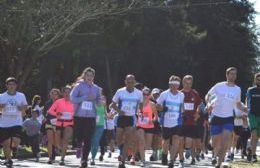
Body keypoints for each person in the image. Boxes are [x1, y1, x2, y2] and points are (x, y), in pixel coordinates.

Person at [205, 67, 247, 168]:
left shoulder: (237, 89)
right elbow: (208, 95)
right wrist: (209, 104)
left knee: (225, 142)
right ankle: (214, 155)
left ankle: (219, 163)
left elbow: (237, 104)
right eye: (231, 74)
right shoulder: (219, 86)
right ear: (227, 75)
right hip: (216, 116)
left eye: (235, 74)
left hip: (228, 118)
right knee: (216, 142)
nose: (233, 76)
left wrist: (244, 108)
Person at [70, 67, 101, 168]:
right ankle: (79, 145)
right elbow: (72, 98)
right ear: (84, 76)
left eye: (91, 75)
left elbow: (98, 101)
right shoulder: (79, 86)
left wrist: (99, 102)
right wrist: (84, 97)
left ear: (93, 77)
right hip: (79, 115)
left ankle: (84, 160)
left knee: (88, 139)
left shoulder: (96, 88)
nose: (89, 77)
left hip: (91, 116)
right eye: (87, 75)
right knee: (79, 135)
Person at [110, 74, 143, 168]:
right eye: (128, 82)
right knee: (118, 139)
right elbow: (112, 105)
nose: (130, 84)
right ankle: (121, 149)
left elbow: (140, 104)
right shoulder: (120, 91)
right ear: (125, 82)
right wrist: (119, 111)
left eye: (132, 82)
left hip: (131, 117)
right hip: (121, 117)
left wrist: (140, 112)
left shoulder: (139, 93)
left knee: (128, 139)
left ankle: (122, 161)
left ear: (135, 82)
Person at [156, 75, 184, 168]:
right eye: (172, 84)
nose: (174, 86)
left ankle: (171, 160)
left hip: (177, 121)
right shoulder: (164, 94)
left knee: (176, 139)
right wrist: (163, 108)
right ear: (169, 84)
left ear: (178, 85)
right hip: (166, 121)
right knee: (166, 141)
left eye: (176, 84)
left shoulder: (181, 95)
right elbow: (157, 106)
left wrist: (183, 112)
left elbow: (181, 107)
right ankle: (164, 155)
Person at [0, 77, 28, 167]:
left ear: (16, 86)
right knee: (5, 143)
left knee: (16, 140)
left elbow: (25, 106)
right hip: (4, 123)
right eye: (9, 84)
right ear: (6, 86)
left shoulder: (21, 95)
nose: (11, 86)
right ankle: (8, 160)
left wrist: (22, 108)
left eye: (13, 84)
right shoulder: (2, 96)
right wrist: (1, 107)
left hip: (17, 121)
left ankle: (14, 148)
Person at [48, 85, 74, 165]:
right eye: (65, 92)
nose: (67, 94)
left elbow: (78, 112)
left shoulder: (74, 102)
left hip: (69, 123)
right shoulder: (58, 101)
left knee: (66, 140)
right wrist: (57, 113)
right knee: (57, 142)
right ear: (62, 93)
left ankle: (62, 159)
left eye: (69, 92)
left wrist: (73, 114)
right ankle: (59, 148)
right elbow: (50, 111)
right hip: (59, 123)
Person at [179, 75, 201, 167]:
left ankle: (190, 154)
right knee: (180, 140)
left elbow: (199, 105)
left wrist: (197, 113)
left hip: (192, 121)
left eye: (190, 83)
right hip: (181, 121)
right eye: (186, 83)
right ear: (183, 83)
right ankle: (181, 160)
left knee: (190, 141)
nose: (188, 85)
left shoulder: (195, 94)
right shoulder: (179, 94)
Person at [136, 87, 158, 167]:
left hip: (149, 125)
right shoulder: (138, 103)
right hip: (140, 125)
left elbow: (156, 116)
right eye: (144, 94)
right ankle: (143, 160)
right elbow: (134, 113)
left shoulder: (152, 104)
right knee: (141, 141)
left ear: (149, 95)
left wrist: (152, 120)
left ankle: (141, 152)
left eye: (147, 94)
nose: (145, 96)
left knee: (148, 145)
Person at [43, 88, 60, 164]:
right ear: (50, 95)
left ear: (58, 95)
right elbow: (45, 114)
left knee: (55, 141)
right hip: (49, 123)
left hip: (58, 124)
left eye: (55, 94)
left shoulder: (60, 103)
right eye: (52, 93)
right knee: (50, 140)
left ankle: (56, 149)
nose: (54, 95)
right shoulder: (47, 103)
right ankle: (50, 157)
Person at [246, 72, 260, 162]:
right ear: (255, 80)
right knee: (254, 134)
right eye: (258, 79)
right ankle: (254, 156)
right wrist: (246, 109)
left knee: (257, 136)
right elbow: (247, 99)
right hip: (252, 115)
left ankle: (250, 149)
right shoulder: (250, 90)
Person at [90, 91, 106, 165]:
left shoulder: (103, 103)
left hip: (100, 125)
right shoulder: (91, 102)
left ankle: (92, 158)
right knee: (90, 141)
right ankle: (86, 155)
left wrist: (110, 115)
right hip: (91, 124)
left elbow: (105, 114)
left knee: (96, 141)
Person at [150, 88, 162, 161]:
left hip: (160, 122)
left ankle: (160, 153)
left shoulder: (161, 101)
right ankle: (154, 153)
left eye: (157, 94)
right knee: (153, 138)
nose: (155, 95)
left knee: (159, 138)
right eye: (154, 94)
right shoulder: (149, 101)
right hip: (151, 122)